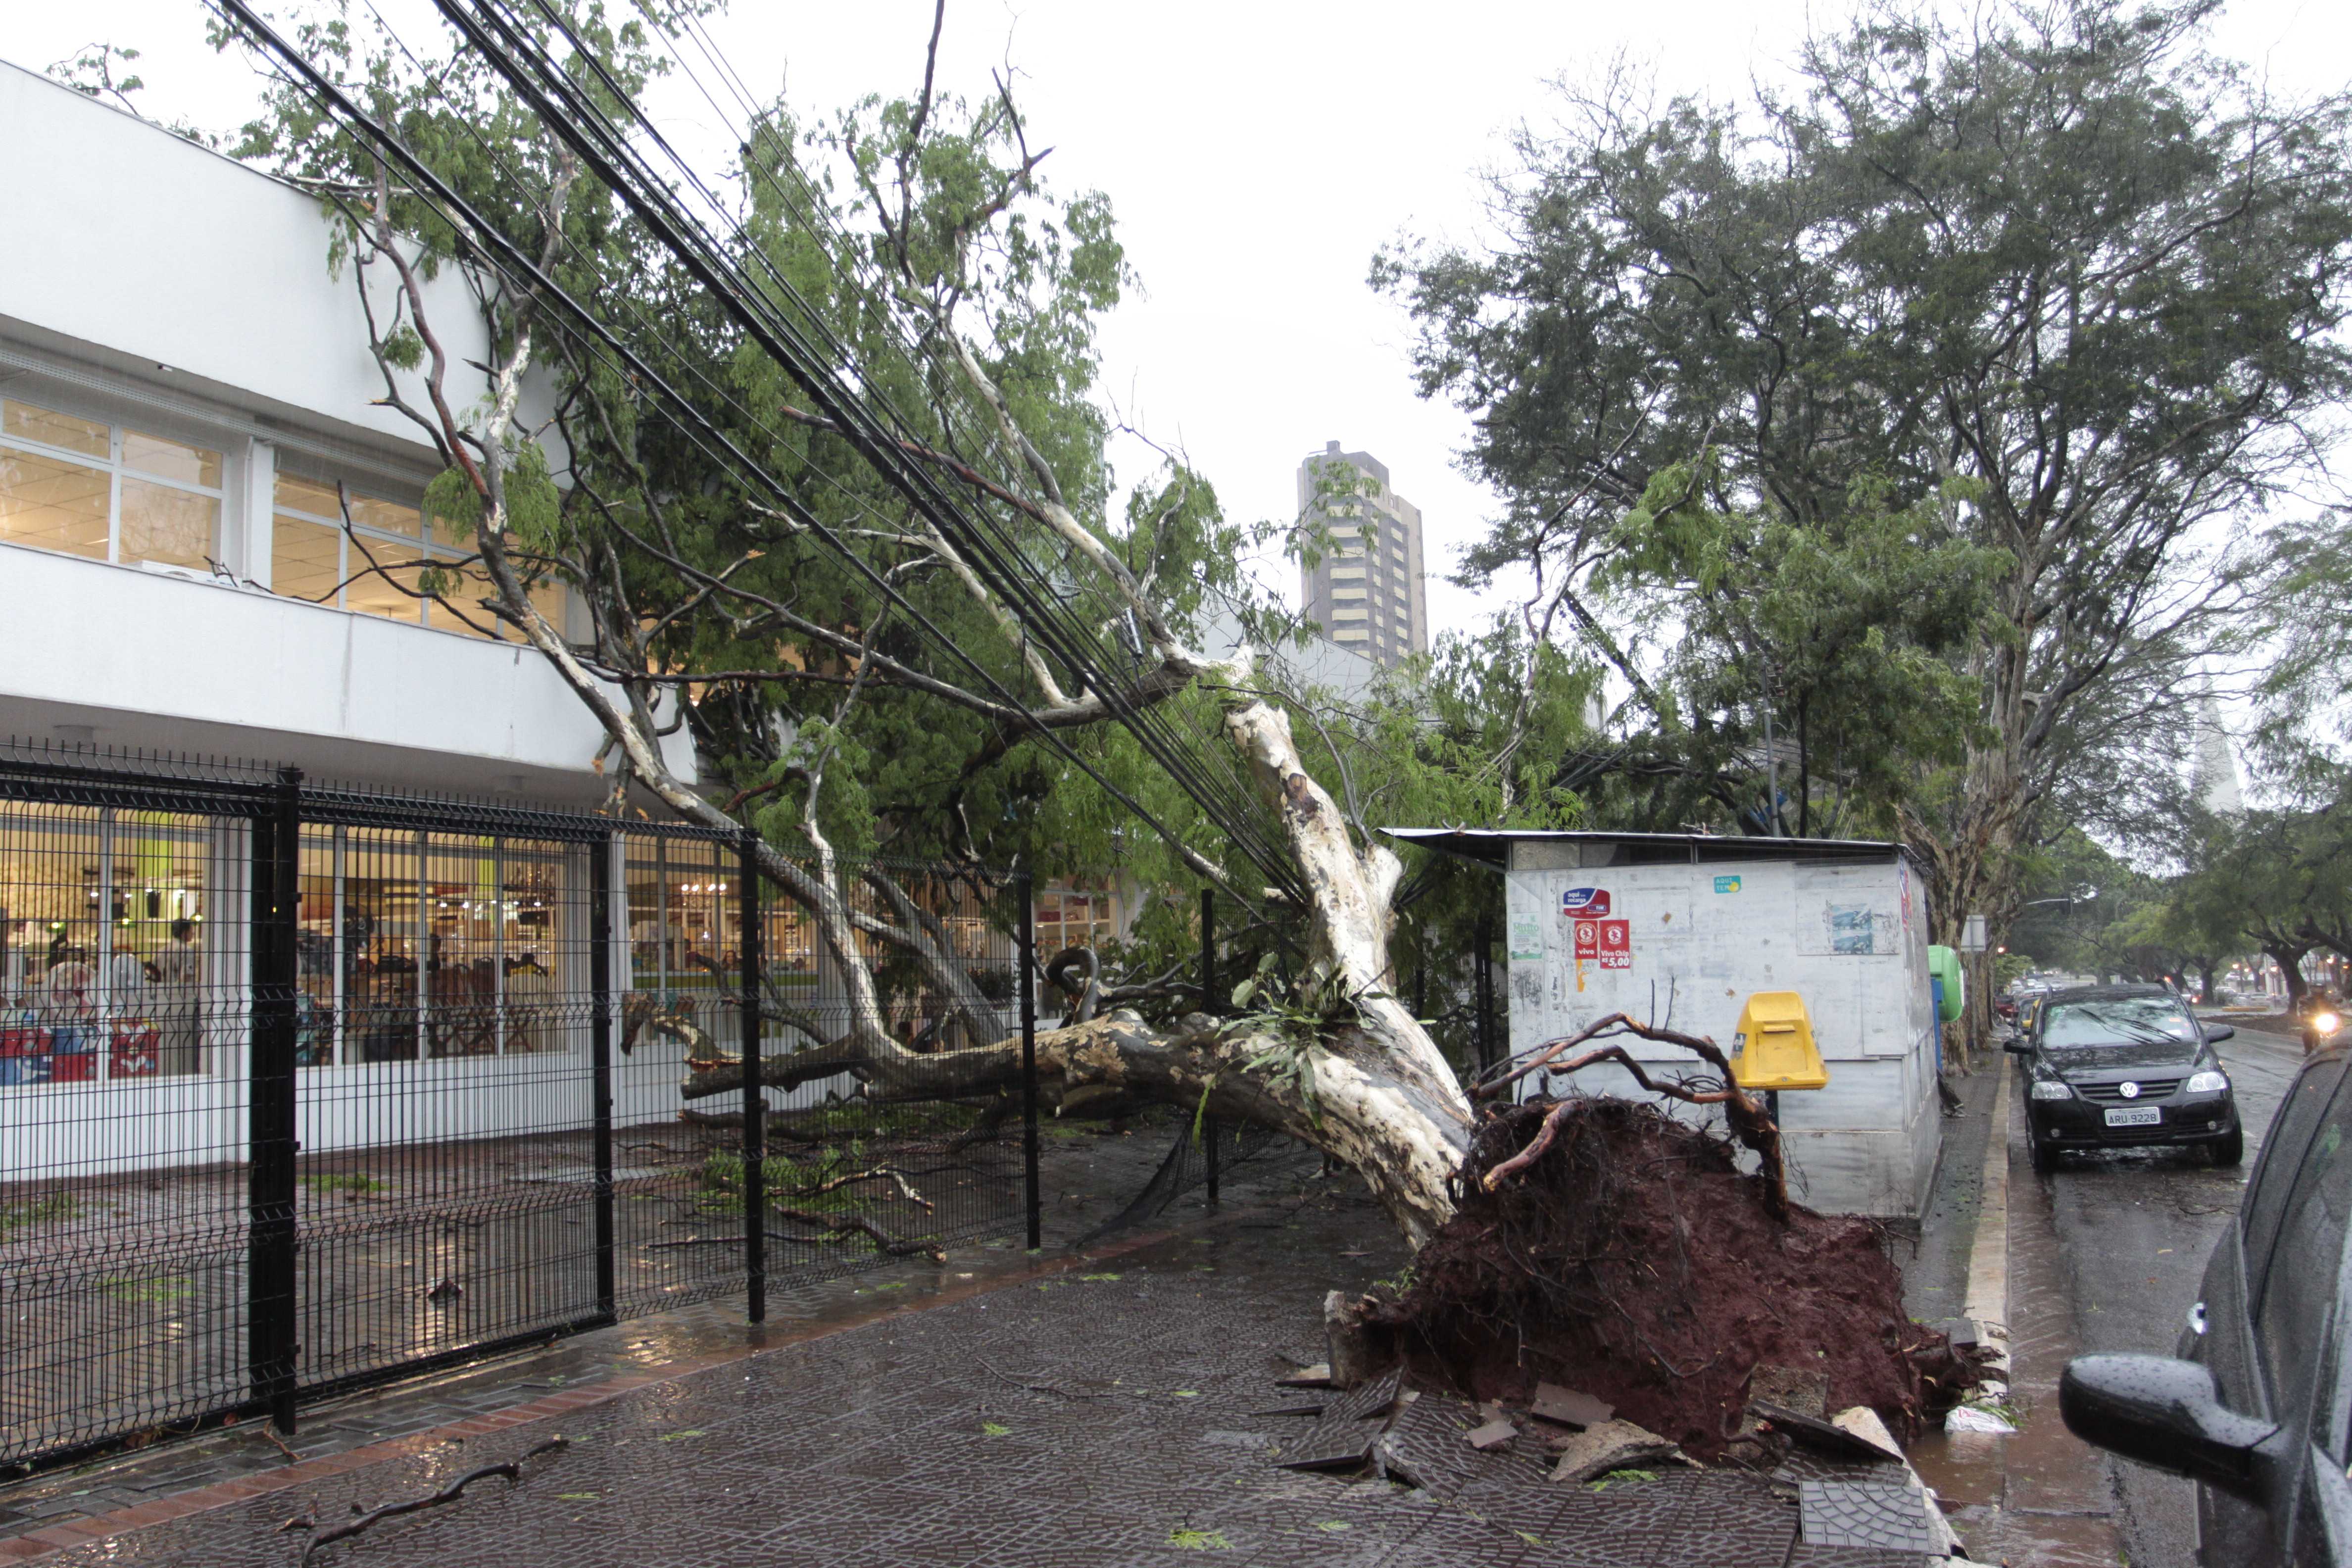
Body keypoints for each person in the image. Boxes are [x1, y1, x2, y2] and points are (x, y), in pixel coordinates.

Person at [153, 919, 203, 1076]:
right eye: (191, 931)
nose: (193, 934)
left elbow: (154, 976)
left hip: (162, 1001)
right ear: (184, 932)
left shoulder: (161, 951)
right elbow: (186, 977)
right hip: (180, 1002)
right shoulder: (187, 951)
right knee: (183, 1044)